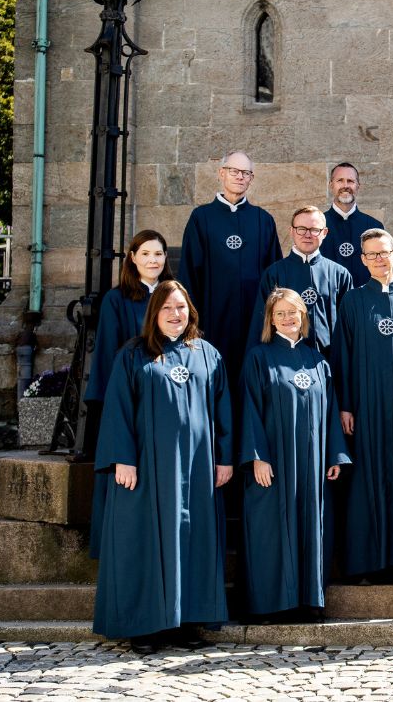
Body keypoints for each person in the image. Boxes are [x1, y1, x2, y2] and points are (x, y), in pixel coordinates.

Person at [92, 280, 234, 654]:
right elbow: (118, 408)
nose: (175, 314)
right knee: (145, 541)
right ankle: (145, 627)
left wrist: (225, 458)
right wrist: (123, 458)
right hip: (147, 469)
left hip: (197, 469)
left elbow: (223, 410)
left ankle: (185, 621)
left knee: (192, 540)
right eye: (167, 307)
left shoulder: (207, 354)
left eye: (181, 307)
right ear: (154, 313)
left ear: (191, 312)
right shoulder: (134, 354)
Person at [240, 288, 350, 623]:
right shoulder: (259, 358)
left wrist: (334, 455)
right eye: (280, 314)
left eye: (294, 313)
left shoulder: (318, 361)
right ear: (270, 320)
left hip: (312, 465)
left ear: (304, 317)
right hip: (273, 463)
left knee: (311, 527)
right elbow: (250, 409)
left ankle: (308, 601)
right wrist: (257, 457)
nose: (288, 319)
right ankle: (271, 605)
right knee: (271, 529)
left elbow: (330, 411)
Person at [331, 228, 393, 584]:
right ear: (362, 259)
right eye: (371, 254)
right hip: (366, 409)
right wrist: (345, 405)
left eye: (383, 252)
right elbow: (342, 355)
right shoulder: (353, 300)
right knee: (366, 482)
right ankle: (366, 565)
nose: (378, 259)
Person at [84, 229, 173, 533]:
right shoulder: (117, 299)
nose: (152, 260)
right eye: (145, 254)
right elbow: (108, 351)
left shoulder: (174, 297)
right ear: (133, 258)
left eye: (158, 254)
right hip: (131, 397)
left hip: (168, 398)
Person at [177, 151, 282, 382]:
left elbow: (274, 277)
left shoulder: (263, 220)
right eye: (234, 171)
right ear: (221, 173)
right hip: (212, 319)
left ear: (251, 178)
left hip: (253, 322)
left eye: (246, 173)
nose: (240, 176)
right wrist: (190, 324)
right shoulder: (201, 218)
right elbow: (189, 273)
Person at [248, 206, 354, 357]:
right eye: (301, 229)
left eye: (314, 230)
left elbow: (349, 326)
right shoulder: (274, 273)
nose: (307, 235)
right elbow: (261, 324)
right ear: (292, 231)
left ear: (324, 233)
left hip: (328, 359)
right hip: (284, 359)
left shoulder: (340, 274)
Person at [321, 162, 385, 286]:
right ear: (331, 185)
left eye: (350, 181)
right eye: (340, 180)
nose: (345, 185)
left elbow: (381, 269)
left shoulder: (374, 227)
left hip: (364, 296)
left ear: (358, 186)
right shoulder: (317, 226)